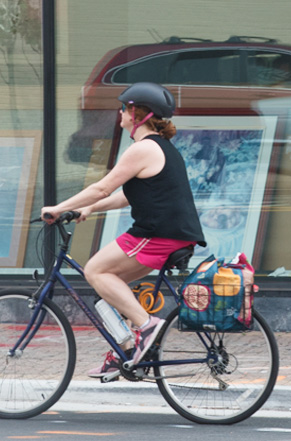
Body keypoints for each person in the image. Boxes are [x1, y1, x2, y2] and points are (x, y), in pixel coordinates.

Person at [40, 81, 206, 379]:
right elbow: (130, 195)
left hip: (157, 235)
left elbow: (102, 187)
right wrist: (89, 209)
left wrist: (57, 207)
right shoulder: (158, 148)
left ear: (136, 113)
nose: (119, 113)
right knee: (109, 288)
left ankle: (147, 326)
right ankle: (127, 352)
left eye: (123, 107)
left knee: (95, 271)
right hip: (168, 234)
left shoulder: (143, 148)